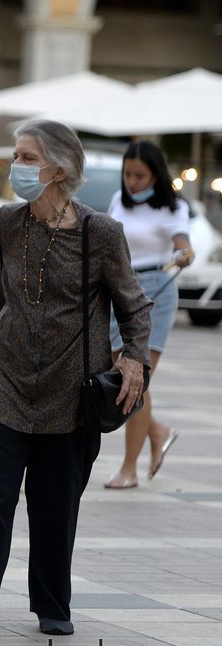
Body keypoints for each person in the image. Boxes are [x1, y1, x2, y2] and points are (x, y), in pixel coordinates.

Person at [0, 120, 152, 638]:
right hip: (3, 381)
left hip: (69, 390)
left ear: (59, 169)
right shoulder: (8, 221)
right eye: (17, 156)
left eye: (27, 158)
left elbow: (134, 305)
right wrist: (1, 350)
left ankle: (52, 603)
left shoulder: (100, 233)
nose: (17, 167)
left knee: (55, 503)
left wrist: (135, 360)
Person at [103, 141, 193, 489]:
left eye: (140, 175)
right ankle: (157, 431)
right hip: (118, 288)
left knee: (136, 377)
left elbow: (183, 243)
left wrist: (185, 253)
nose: (132, 181)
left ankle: (129, 469)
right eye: (127, 174)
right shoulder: (117, 201)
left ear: (156, 174)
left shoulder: (173, 207)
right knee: (117, 373)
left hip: (155, 289)